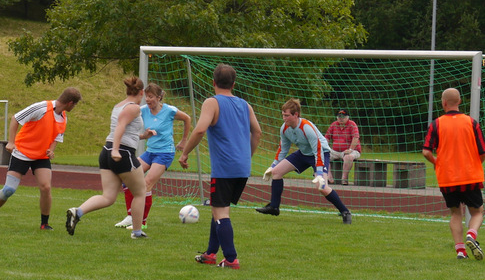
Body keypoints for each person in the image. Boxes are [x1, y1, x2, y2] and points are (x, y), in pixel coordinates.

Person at [178, 64, 262, 269]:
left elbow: (199, 131)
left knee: (221, 213)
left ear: (213, 82)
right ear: (233, 84)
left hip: (224, 168)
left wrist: (185, 152)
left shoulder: (212, 102)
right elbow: (257, 132)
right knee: (218, 208)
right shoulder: (245, 104)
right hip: (242, 168)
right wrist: (246, 156)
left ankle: (231, 259)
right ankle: (210, 254)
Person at [0, 88, 82, 230]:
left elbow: (57, 135)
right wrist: (11, 142)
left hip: (41, 156)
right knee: (9, 190)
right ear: (70, 103)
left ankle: (44, 224)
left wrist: (51, 150)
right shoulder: (42, 108)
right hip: (22, 152)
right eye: (75, 105)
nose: (74, 108)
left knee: (46, 187)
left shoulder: (63, 116)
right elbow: (15, 118)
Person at [66, 77, 150, 238]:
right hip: (121, 152)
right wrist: (116, 150)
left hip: (106, 151)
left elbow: (124, 132)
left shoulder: (118, 106)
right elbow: (120, 127)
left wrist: (143, 136)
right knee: (140, 192)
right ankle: (137, 232)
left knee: (108, 197)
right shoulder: (133, 108)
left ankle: (78, 212)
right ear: (142, 92)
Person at [256, 99, 353, 224]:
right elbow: (282, 149)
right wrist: (272, 166)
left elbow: (317, 150)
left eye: (287, 115)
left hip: (320, 153)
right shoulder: (284, 129)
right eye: (283, 115)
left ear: (296, 115)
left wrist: (319, 172)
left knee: (322, 187)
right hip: (303, 153)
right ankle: (274, 207)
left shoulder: (306, 127)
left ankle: (345, 211)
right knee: (276, 172)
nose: (284, 118)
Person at [114, 82, 192, 230]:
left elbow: (187, 119)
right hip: (150, 152)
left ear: (158, 97)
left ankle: (142, 223)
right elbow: (137, 133)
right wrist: (144, 135)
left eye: (151, 97)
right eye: (147, 97)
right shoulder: (142, 110)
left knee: (146, 183)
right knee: (127, 177)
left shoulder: (169, 111)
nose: (148, 100)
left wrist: (183, 140)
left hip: (165, 153)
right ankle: (131, 217)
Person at [422, 88, 485, 260]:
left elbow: (426, 152)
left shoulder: (436, 124)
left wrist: (439, 164)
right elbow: (483, 152)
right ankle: (471, 235)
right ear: (459, 102)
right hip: (469, 176)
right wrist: (472, 165)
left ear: (443, 103)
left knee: (455, 212)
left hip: (447, 178)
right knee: (477, 211)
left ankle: (460, 251)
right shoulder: (472, 123)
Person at [324, 109, 362, 185]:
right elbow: (327, 137)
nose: (341, 118)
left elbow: (355, 137)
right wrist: (324, 147)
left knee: (348, 157)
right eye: (339, 116)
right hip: (335, 151)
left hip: (352, 150)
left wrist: (350, 149)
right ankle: (329, 177)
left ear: (347, 117)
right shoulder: (334, 125)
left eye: (343, 117)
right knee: (322, 155)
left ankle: (344, 179)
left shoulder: (352, 124)